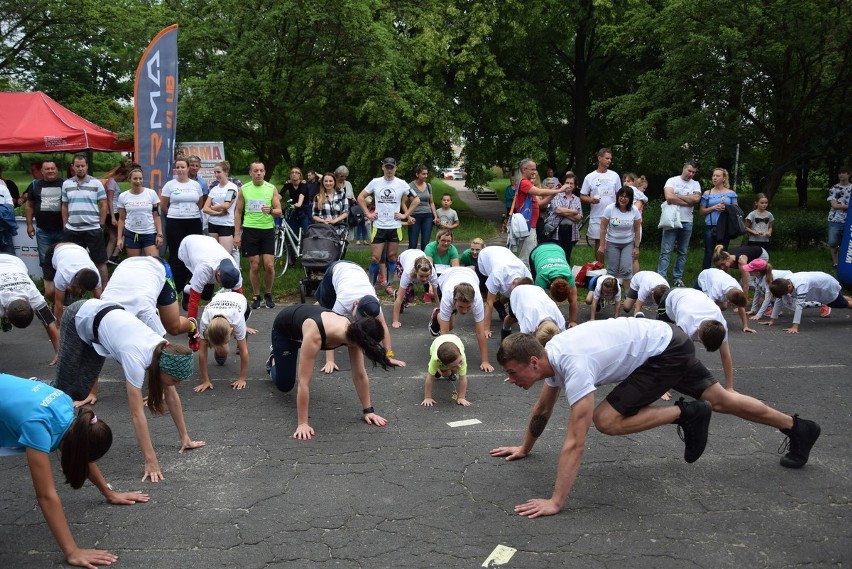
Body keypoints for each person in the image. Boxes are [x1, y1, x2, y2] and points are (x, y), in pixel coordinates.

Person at [490, 319, 821, 519]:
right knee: (722, 400)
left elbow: (576, 441)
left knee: (605, 419)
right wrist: (524, 446)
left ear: (533, 361)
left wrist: (555, 501)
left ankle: (686, 413)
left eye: (512, 372)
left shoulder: (574, 364)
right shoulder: (552, 359)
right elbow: (543, 410)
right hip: (665, 340)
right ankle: (798, 427)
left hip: (663, 351)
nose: (511, 378)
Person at [0, 374, 150, 568]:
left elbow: (78, 449)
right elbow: (46, 495)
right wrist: (72, 551)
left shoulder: (67, 406)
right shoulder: (37, 426)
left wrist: (109, 492)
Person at [54, 299, 205, 481]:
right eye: (174, 380)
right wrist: (150, 460)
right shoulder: (136, 359)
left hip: (99, 325)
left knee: (80, 391)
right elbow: (136, 414)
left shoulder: (165, 350)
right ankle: (45, 416)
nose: (175, 385)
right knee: (64, 391)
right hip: (79, 316)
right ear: (163, 370)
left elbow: (171, 394)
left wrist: (185, 438)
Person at [267, 304, 392, 440]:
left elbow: (360, 375)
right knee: (285, 385)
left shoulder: (354, 334)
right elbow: (303, 382)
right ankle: (274, 359)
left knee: (290, 376)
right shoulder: (316, 335)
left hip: (303, 327)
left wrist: (369, 411)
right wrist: (303, 423)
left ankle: (283, 356)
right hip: (285, 332)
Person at [314, 260, 405, 369]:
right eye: (358, 317)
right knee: (324, 305)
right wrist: (330, 361)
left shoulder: (374, 304)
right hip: (336, 270)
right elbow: (330, 329)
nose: (356, 320)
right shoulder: (342, 303)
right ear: (356, 303)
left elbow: (383, 326)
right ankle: (307, 316)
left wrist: (388, 355)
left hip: (356, 269)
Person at [101, 255, 199, 345]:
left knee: (173, 327)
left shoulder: (144, 310)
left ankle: (192, 325)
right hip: (127, 265)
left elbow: (161, 345)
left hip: (157, 267)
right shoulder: (101, 308)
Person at [653, 285, 735, 390]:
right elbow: (665, 353)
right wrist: (661, 388)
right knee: (661, 341)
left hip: (693, 296)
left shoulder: (721, 324)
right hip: (670, 297)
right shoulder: (685, 325)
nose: (699, 343)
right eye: (701, 341)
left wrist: (730, 388)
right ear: (698, 328)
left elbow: (725, 356)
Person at [356, 157, 420, 286]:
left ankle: (389, 285)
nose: (389, 170)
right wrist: (368, 214)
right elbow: (360, 197)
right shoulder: (375, 182)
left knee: (392, 256)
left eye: (391, 167)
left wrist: (405, 215)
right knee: (375, 258)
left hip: (394, 226)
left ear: (395, 168)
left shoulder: (401, 183)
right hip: (379, 225)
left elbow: (416, 200)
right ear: (383, 168)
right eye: (387, 167)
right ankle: (371, 286)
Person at [234, 161, 282, 310]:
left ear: (265, 172)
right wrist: (237, 234)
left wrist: (271, 211)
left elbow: (279, 211)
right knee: (254, 265)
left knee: (269, 265)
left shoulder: (270, 188)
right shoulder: (244, 189)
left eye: (261, 170)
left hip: (267, 229)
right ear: (251, 173)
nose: (259, 173)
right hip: (250, 229)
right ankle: (256, 295)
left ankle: (268, 293)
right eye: (256, 171)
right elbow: (238, 212)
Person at [427, 266, 494, 372]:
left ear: (473, 302)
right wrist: (445, 363)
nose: (464, 311)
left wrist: (485, 361)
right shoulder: (448, 297)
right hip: (446, 277)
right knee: (449, 326)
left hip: (469, 275)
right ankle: (437, 315)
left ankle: (447, 313)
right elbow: (444, 334)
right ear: (454, 301)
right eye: (461, 307)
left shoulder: (477, 301)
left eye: (468, 307)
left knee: (451, 324)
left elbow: (480, 332)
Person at [0, 253, 60, 365]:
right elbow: (50, 325)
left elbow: (50, 323)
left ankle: (4, 321)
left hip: (15, 263)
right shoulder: (33, 297)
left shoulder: (34, 296)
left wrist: (59, 353)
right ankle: (4, 321)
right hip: (13, 263)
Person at [61, 155, 110, 288]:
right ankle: (77, 289)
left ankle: (105, 289)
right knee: (74, 262)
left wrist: (101, 224)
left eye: (83, 166)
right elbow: (64, 206)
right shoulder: (66, 184)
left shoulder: (96, 183)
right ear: (73, 167)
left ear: (87, 166)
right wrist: (65, 225)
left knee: (100, 261)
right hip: (73, 230)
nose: (80, 168)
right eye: (77, 166)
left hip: (93, 228)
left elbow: (104, 204)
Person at [194, 289, 256, 392]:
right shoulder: (205, 321)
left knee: (240, 339)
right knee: (222, 350)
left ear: (231, 331)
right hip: (219, 300)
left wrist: (242, 379)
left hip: (240, 303)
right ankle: (223, 343)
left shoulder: (237, 320)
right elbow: (202, 353)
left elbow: (244, 352)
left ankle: (242, 334)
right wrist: (205, 380)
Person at [160, 157, 205, 295]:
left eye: (182, 167)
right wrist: (175, 215)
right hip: (175, 222)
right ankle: (175, 285)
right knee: (176, 253)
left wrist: (191, 214)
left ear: (187, 168)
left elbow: (200, 203)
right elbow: (163, 205)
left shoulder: (195, 185)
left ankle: (192, 284)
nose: (180, 170)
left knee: (193, 253)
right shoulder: (170, 185)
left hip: (193, 221)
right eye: (177, 167)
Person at [656, 160, 702, 287]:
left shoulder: (696, 184)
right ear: (684, 168)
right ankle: (661, 277)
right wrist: (688, 200)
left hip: (687, 220)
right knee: (666, 250)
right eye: (689, 171)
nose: (691, 174)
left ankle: (677, 277)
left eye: (693, 172)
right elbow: (669, 197)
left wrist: (678, 196)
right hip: (671, 220)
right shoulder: (672, 180)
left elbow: (696, 199)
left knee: (683, 251)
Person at [177, 234, 244, 320]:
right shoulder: (204, 269)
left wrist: (242, 325)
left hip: (207, 250)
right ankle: (186, 289)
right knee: (178, 284)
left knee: (206, 296)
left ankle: (187, 289)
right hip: (188, 245)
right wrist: (192, 330)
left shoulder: (234, 275)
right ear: (219, 273)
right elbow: (194, 300)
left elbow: (240, 299)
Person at [513, 159, 562, 264]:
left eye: (535, 170)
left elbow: (540, 203)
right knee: (526, 257)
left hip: (531, 225)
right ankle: (524, 279)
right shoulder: (524, 182)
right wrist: (559, 190)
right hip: (527, 225)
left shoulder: (528, 186)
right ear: (524, 169)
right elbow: (539, 192)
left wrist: (553, 193)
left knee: (530, 254)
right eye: (532, 169)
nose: (534, 172)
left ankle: (527, 277)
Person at [768, 272, 852, 333]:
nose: (788, 294)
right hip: (820, 285)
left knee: (841, 303)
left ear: (789, 286)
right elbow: (779, 301)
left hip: (827, 287)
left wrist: (795, 326)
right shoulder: (784, 282)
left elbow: (799, 306)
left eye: (787, 292)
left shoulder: (801, 284)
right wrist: (772, 320)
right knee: (839, 297)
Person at [474, 245, 532, 332]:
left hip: (504, 254)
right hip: (485, 257)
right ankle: (493, 307)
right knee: (484, 292)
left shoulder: (527, 275)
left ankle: (499, 304)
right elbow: (489, 303)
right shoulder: (497, 275)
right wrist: (486, 329)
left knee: (512, 296)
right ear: (513, 283)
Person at [42, 242, 102, 323]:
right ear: (77, 280)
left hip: (78, 250)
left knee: (76, 292)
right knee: (50, 293)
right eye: (82, 289)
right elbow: (59, 304)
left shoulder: (95, 275)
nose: (82, 292)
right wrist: (59, 327)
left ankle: (66, 293)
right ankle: (63, 295)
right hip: (55, 252)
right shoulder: (64, 274)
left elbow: (99, 303)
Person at [579, 148, 621, 263]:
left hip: (613, 214)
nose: (609, 161)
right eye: (607, 158)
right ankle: (599, 267)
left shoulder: (614, 176)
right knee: (599, 242)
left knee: (613, 241)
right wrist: (591, 200)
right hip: (597, 214)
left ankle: (613, 268)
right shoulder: (590, 177)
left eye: (610, 159)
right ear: (599, 158)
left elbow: (620, 195)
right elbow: (582, 195)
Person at [599, 186, 642, 292]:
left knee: (626, 270)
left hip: (628, 243)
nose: (623, 199)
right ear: (618, 197)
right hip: (612, 242)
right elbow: (603, 227)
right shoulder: (610, 208)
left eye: (626, 197)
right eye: (621, 196)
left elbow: (637, 230)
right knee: (612, 270)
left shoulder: (634, 210)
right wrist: (602, 245)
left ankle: (628, 296)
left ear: (630, 199)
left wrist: (636, 247)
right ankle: (609, 294)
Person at [527, 242, 579, 327]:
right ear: (550, 287)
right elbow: (538, 301)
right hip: (538, 251)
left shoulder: (569, 276)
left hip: (558, 249)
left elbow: (573, 300)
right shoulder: (541, 277)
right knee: (537, 294)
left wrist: (573, 321)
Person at [116, 166, 163, 258]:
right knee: (135, 264)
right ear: (129, 180)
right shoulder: (123, 196)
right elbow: (121, 219)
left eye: (140, 178)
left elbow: (156, 215)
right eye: (135, 179)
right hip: (131, 233)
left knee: (154, 262)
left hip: (149, 232)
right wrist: (119, 239)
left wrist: (159, 234)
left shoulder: (151, 193)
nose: (138, 181)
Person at [25, 160, 66, 265]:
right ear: (42, 171)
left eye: (52, 168)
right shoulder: (35, 185)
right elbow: (29, 206)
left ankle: (62, 281)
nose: (50, 171)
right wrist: (29, 225)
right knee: (45, 261)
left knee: (63, 259)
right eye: (47, 169)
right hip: (43, 231)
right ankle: (48, 281)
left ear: (57, 170)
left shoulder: (65, 184)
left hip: (62, 230)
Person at [698, 168, 739, 269]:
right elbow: (701, 211)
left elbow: (737, 210)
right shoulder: (708, 193)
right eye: (713, 176)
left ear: (724, 178)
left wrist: (727, 208)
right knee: (709, 252)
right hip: (710, 226)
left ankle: (722, 274)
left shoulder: (731, 193)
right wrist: (713, 208)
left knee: (722, 252)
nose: (714, 178)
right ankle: (705, 274)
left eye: (717, 176)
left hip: (725, 226)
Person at [696, 268, 756, 333]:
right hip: (705, 277)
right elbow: (709, 307)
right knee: (699, 303)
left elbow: (741, 308)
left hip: (718, 277)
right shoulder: (716, 290)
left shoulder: (738, 290)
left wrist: (745, 326)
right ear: (729, 301)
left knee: (723, 307)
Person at [202, 160, 240, 263]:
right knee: (215, 255)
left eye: (219, 172)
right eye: (215, 172)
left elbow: (227, 205)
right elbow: (205, 208)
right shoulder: (214, 189)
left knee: (225, 256)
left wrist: (212, 207)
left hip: (226, 224)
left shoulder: (232, 187)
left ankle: (232, 276)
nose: (216, 175)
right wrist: (218, 212)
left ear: (226, 172)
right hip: (213, 223)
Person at [390, 249, 438, 328]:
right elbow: (399, 299)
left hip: (416, 254)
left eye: (427, 276)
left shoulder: (433, 274)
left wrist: (441, 313)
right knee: (408, 296)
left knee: (410, 298)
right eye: (421, 276)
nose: (424, 279)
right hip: (402, 260)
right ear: (415, 271)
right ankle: (397, 293)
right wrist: (395, 321)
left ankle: (402, 299)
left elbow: (436, 296)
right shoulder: (408, 272)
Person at [422, 334, 471, 407]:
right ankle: (439, 369)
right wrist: (427, 397)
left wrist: (461, 397)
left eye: (459, 362)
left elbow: (462, 378)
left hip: (455, 339)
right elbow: (429, 378)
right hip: (436, 343)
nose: (459, 366)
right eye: (454, 365)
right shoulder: (435, 360)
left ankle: (450, 371)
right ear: (443, 364)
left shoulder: (461, 357)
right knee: (446, 374)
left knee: (454, 371)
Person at [546, 171, 582, 264]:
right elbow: (558, 210)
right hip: (556, 229)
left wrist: (564, 212)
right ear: (563, 184)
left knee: (567, 255)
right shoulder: (557, 195)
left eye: (571, 183)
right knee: (556, 255)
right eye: (567, 183)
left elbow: (579, 217)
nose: (569, 185)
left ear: (575, 185)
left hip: (570, 230)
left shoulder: (577, 199)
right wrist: (573, 211)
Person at [103, 161, 129, 265]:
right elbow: (109, 199)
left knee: (113, 237)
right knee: (126, 233)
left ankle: (107, 259)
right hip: (113, 213)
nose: (124, 179)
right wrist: (113, 217)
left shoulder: (112, 182)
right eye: (124, 177)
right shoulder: (111, 183)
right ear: (120, 174)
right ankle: (114, 256)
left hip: (112, 213)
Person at [406, 164, 438, 250]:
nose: (426, 176)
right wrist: (408, 216)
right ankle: (410, 262)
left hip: (427, 216)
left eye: (426, 174)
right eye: (423, 174)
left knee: (425, 243)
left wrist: (435, 216)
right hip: (414, 216)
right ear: (417, 174)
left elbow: (431, 202)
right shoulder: (409, 186)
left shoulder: (428, 186)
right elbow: (403, 203)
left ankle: (424, 262)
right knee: (413, 243)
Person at [311, 171, 349, 241]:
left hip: (339, 230)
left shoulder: (341, 195)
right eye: (326, 181)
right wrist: (323, 221)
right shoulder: (318, 197)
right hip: (323, 231)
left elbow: (346, 212)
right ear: (322, 182)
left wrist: (334, 221)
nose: (328, 183)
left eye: (330, 181)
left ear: (334, 182)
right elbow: (314, 215)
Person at [826, 166, 850, 269]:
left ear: (849, 174)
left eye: (844, 172)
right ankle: (836, 263)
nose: (841, 174)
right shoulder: (834, 188)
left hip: (849, 220)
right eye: (839, 173)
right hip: (835, 219)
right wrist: (850, 207)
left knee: (848, 242)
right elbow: (834, 205)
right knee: (833, 242)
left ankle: (846, 262)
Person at [280, 166, 307, 233]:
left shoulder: (303, 184)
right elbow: (280, 194)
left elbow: (302, 193)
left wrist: (299, 203)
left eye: (296, 172)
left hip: (304, 209)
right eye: (292, 172)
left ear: (300, 175)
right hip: (294, 209)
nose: (294, 174)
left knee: (307, 229)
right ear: (290, 175)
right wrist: (274, 201)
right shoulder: (288, 184)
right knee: (293, 230)